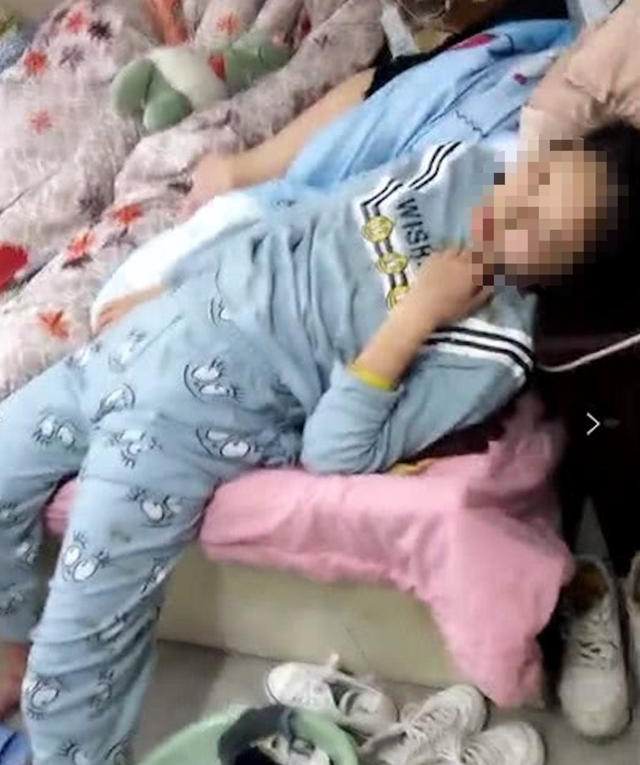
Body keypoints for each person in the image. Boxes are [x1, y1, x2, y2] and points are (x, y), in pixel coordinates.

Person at [0, 126, 619, 762]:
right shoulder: (460, 165)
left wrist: (415, 317)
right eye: (537, 179)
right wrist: (174, 286)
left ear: (564, 274)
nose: (512, 209)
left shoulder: (492, 349)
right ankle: (7, 650)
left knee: (74, 656)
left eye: (542, 231)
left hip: (184, 418)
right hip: (141, 340)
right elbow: (305, 218)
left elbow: (336, 451)